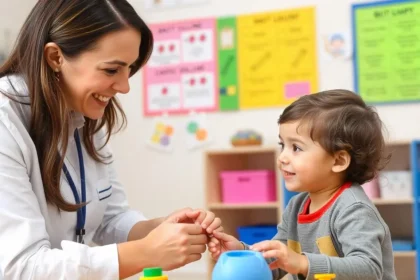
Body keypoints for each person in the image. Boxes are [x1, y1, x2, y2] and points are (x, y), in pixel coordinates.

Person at [0, 1, 222, 279]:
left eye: (129, 68)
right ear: (55, 57)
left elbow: (109, 218)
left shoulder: (84, 115)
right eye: (111, 70)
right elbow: (21, 268)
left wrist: (160, 228)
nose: (125, 87)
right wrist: (147, 252)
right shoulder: (6, 122)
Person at [208, 90, 397, 280]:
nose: (282, 157)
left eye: (296, 148)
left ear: (338, 161)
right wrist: (242, 253)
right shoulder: (296, 207)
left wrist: (302, 263)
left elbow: (369, 270)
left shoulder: (354, 209)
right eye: (283, 145)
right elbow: (277, 263)